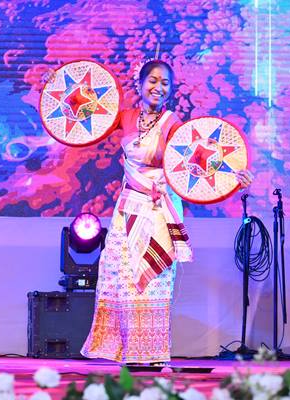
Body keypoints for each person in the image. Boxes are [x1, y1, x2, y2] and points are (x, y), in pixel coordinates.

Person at [80, 59, 253, 364]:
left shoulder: (174, 125)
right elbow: (88, 112)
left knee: (152, 283)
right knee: (121, 278)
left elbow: (198, 161)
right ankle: (126, 352)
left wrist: (234, 176)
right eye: (153, 81)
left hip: (157, 211)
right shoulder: (126, 118)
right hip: (127, 209)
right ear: (140, 84)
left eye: (165, 84)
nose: (158, 88)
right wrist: (58, 85)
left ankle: (153, 354)